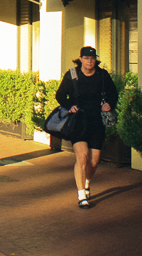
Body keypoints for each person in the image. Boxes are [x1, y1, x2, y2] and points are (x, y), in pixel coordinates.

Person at [55, 46, 119, 209]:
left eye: (92, 59)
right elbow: (60, 95)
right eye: (86, 58)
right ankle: (81, 194)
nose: (90, 61)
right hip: (78, 121)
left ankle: (87, 181)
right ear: (81, 59)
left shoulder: (102, 75)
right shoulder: (72, 75)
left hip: (97, 122)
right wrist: (70, 106)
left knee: (94, 161)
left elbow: (113, 93)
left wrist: (109, 104)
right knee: (82, 157)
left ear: (95, 60)